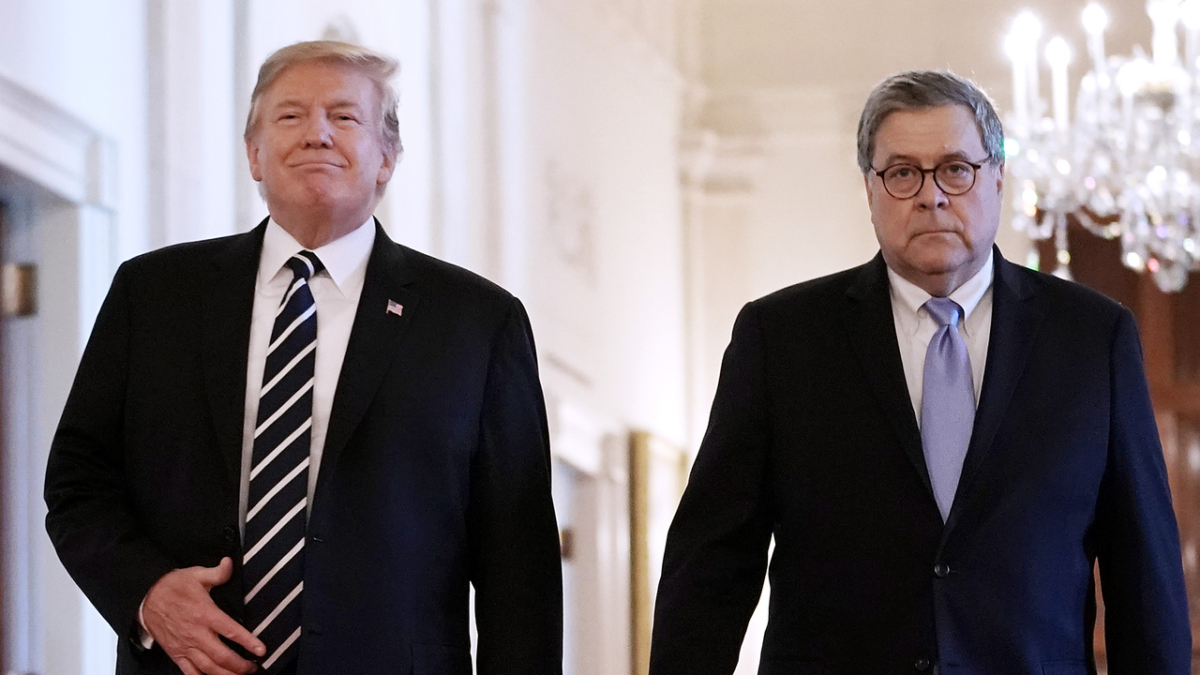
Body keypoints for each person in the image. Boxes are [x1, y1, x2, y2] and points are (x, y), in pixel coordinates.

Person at [44, 41, 562, 675]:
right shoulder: (153, 296)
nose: (317, 134)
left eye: (344, 117)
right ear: (253, 155)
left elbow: (521, 565)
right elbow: (78, 483)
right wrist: (146, 594)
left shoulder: (477, 323)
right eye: (290, 116)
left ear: (387, 158)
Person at [650, 70, 1191, 674]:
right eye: (903, 173)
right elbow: (711, 567)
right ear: (870, 190)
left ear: (998, 178)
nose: (931, 196)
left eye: (956, 168)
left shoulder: (1093, 339)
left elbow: (1143, 570)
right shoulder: (781, 339)